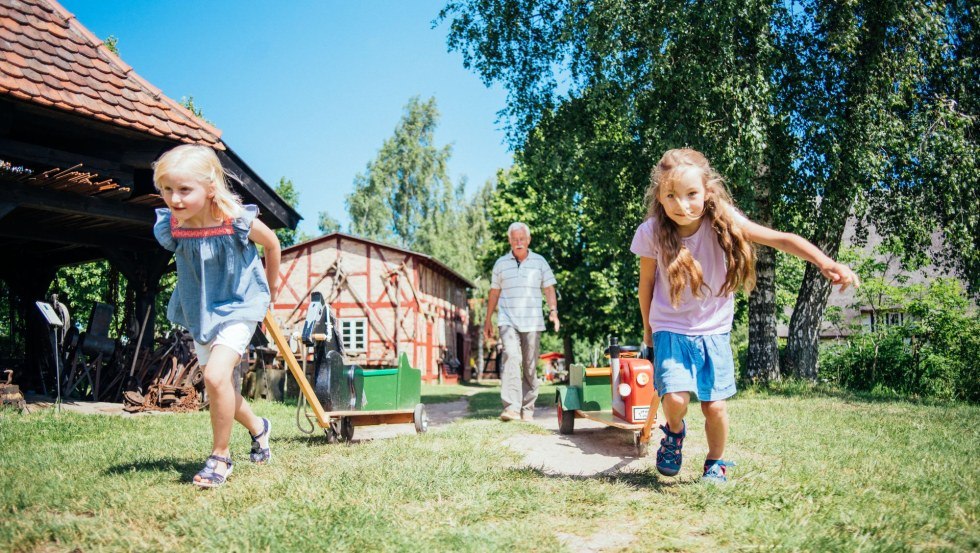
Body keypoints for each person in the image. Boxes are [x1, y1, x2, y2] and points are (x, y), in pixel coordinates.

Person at [631, 148, 858, 483]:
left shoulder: (721, 220)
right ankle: (674, 434)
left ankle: (715, 462)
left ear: (707, 192)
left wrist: (826, 262)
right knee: (675, 398)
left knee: (715, 407)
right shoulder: (651, 232)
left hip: (714, 329)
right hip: (670, 326)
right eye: (671, 196)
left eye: (691, 194)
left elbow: (781, 239)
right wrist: (648, 334)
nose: (682, 205)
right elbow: (646, 287)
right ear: (660, 198)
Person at [152, 144, 281, 488]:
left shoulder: (234, 219)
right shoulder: (172, 226)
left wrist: (268, 293)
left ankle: (220, 457)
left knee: (215, 377)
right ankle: (259, 428)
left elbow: (272, 245)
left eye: (184, 190)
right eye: (167, 190)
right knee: (218, 383)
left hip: (241, 305)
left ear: (210, 187)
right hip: (201, 311)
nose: (174, 199)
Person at [483, 222, 560, 421]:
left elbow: (549, 289)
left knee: (530, 365)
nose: (518, 243)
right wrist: (487, 320)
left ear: (528, 240)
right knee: (511, 355)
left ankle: (527, 409)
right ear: (509, 241)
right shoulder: (501, 264)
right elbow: (494, 292)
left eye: (522, 239)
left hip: (533, 322)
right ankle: (511, 408)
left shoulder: (540, 262)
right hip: (507, 320)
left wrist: (553, 312)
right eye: (515, 239)